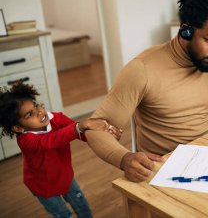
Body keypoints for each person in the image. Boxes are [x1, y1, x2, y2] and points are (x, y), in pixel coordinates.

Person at [85, 0, 208, 182]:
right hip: (162, 169)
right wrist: (124, 158)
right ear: (185, 31)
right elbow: (95, 128)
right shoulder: (142, 70)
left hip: (207, 160)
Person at [0, 82, 122, 218]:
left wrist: (106, 135)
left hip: (65, 176)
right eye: (30, 114)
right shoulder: (25, 140)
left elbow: (80, 132)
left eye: (36, 105)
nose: (39, 112)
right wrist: (80, 126)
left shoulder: (56, 118)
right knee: (62, 214)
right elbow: (52, 140)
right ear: (18, 128)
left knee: (82, 206)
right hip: (43, 186)